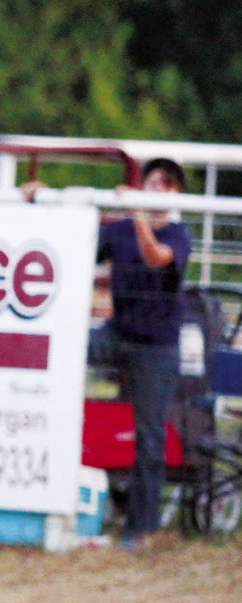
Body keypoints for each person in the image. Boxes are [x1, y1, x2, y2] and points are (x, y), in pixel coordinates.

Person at [91, 158, 192, 546]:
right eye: (150, 182)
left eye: (164, 184)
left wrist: (133, 215)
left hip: (157, 347)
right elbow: (73, 248)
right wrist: (40, 204)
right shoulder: (120, 228)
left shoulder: (180, 233)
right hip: (116, 333)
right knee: (62, 356)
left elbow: (156, 257)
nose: (155, 189)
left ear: (175, 194)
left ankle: (140, 528)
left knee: (150, 438)